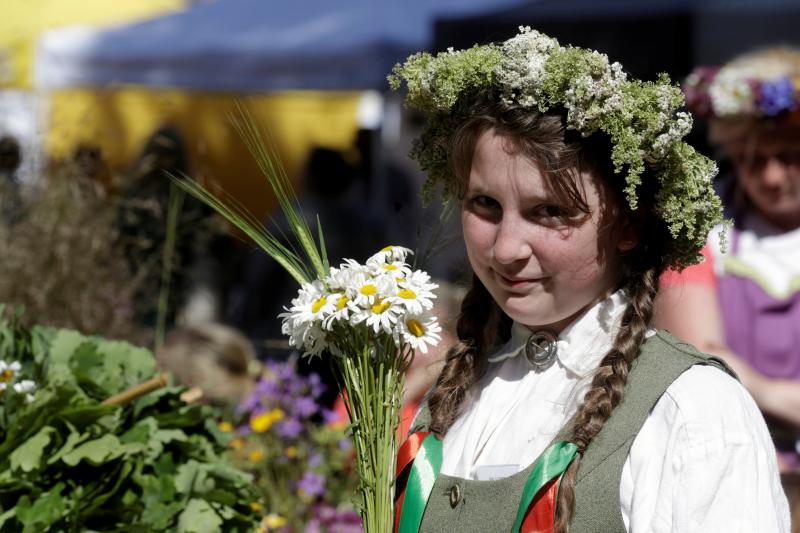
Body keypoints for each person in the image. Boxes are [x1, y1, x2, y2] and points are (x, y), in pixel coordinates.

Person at [388, 28, 790, 532]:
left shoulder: (692, 411)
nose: (508, 247)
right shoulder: (452, 394)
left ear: (630, 225)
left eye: (551, 211)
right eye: (485, 205)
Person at [656, 47, 800, 472]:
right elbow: (695, 357)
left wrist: (764, 391)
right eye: (754, 160)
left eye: (789, 157)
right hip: (733, 460)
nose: (772, 178)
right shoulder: (699, 230)